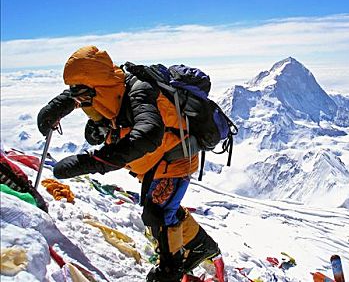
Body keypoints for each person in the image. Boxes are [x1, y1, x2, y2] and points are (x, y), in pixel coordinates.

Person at [37, 46, 222, 282]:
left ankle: (171, 269)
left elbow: (148, 134)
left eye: (84, 97)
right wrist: (54, 110)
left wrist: (94, 161)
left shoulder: (139, 92)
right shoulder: (108, 87)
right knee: (165, 208)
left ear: (100, 88)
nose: (81, 103)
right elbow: (77, 94)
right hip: (153, 161)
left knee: (158, 214)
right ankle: (201, 246)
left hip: (174, 160)